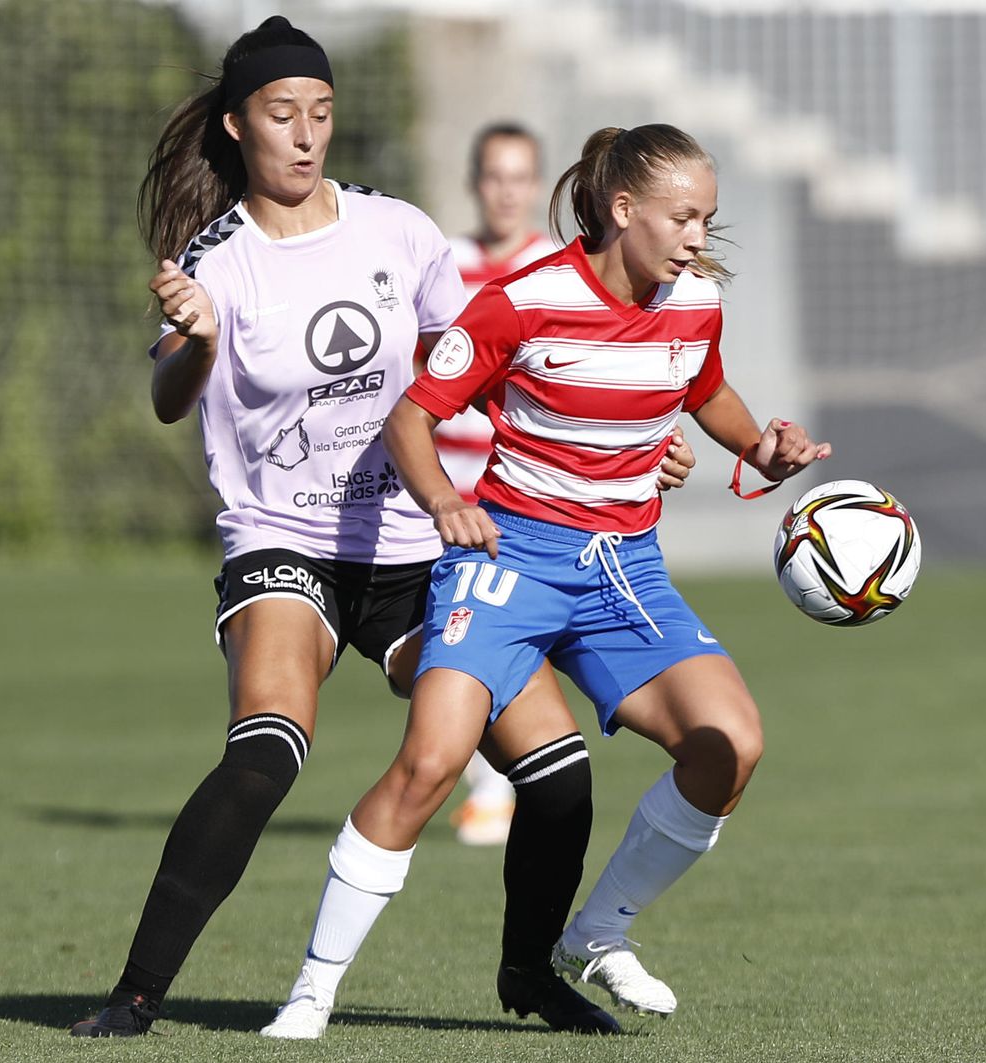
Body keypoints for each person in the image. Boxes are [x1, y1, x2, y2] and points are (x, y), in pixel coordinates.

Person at [69, 20, 692, 1039]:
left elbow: (482, 369)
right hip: (285, 542)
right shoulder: (215, 259)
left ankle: (528, 975)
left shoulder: (397, 231)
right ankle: (135, 995)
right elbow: (172, 400)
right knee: (267, 750)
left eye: (320, 111)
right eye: (281, 115)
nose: (306, 134)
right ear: (236, 127)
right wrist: (197, 338)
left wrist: (626, 446)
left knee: (555, 762)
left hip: (415, 550)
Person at [262, 122, 831, 1028]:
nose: (697, 237)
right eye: (683, 217)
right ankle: (312, 991)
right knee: (431, 762)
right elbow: (412, 418)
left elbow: (703, 388)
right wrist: (447, 501)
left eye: (707, 219)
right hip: (509, 561)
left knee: (731, 744)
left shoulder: (696, 303)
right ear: (623, 208)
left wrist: (760, 444)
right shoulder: (522, 301)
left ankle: (597, 933)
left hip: (623, 569)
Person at [438, 122, 563, 847]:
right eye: (494, 175)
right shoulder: (444, 264)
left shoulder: (557, 269)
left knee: (507, 637)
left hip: (524, 489)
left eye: (520, 176)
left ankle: (497, 786)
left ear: (537, 184)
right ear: (475, 181)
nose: (507, 190)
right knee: (450, 639)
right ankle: (487, 778)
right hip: (441, 493)